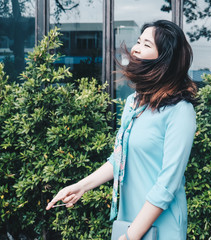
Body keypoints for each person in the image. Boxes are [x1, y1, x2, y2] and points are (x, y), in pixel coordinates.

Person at [46, 19, 197, 240]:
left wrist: (131, 236)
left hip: (161, 225)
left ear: (165, 60)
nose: (135, 48)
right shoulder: (133, 103)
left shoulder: (180, 111)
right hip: (129, 218)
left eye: (146, 44)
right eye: (138, 41)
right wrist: (81, 186)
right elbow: (120, 158)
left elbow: (167, 184)